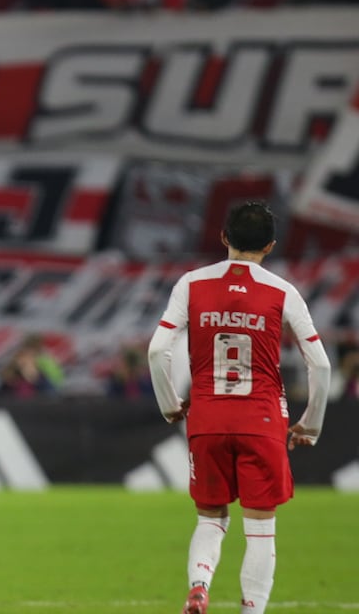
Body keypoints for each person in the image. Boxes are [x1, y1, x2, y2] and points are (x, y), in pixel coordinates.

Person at [147, 202, 331, 614]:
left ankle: (199, 585)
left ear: (224, 237)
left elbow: (159, 350)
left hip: (208, 417)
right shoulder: (283, 290)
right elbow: (319, 363)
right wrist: (311, 424)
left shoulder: (191, 284)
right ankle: (251, 609)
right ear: (270, 245)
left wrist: (170, 405)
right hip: (262, 420)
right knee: (261, 530)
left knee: (210, 518)